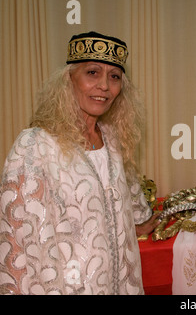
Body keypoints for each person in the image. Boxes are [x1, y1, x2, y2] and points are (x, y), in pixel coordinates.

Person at [0, 31, 159, 294]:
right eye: (93, 73)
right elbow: (17, 243)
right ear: (69, 80)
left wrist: (140, 220)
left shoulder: (113, 140)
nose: (105, 86)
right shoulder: (35, 146)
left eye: (114, 76)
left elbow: (124, 203)